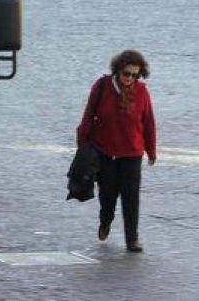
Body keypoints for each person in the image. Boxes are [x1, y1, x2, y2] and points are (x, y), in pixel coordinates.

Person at [76, 50, 157, 253]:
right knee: (108, 194)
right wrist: (82, 145)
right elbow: (88, 115)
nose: (129, 79)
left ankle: (132, 239)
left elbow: (148, 122)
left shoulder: (142, 92)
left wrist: (151, 150)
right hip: (105, 151)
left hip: (132, 153)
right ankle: (106, 220)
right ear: (118, 71)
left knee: (131, 197)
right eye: (126, 73)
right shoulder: (102, 86)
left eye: (134, 75)